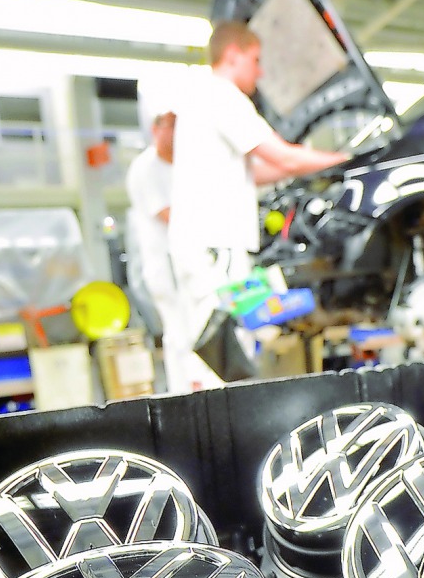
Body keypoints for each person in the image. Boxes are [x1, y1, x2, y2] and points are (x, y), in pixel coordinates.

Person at [167, 20, 349, 392]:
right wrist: (345, 160)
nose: (260, 70)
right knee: (217, 349)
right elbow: (282, 156)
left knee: (213, 345)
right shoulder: (222, 96)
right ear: (233, 56)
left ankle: (215, 427)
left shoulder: (202, 98)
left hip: (205, 243)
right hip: (214, 244)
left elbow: (259, 171)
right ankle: (215, 434)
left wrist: (301, 167)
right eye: (255, 59)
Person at [124, 110, 178, 377]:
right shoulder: (145, 167)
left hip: (186, 263)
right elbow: (166, 213)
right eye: (171, 125)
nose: (177, 132)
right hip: (165, 265)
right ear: (156, 129)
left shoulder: (180, 166)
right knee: (180, 333)